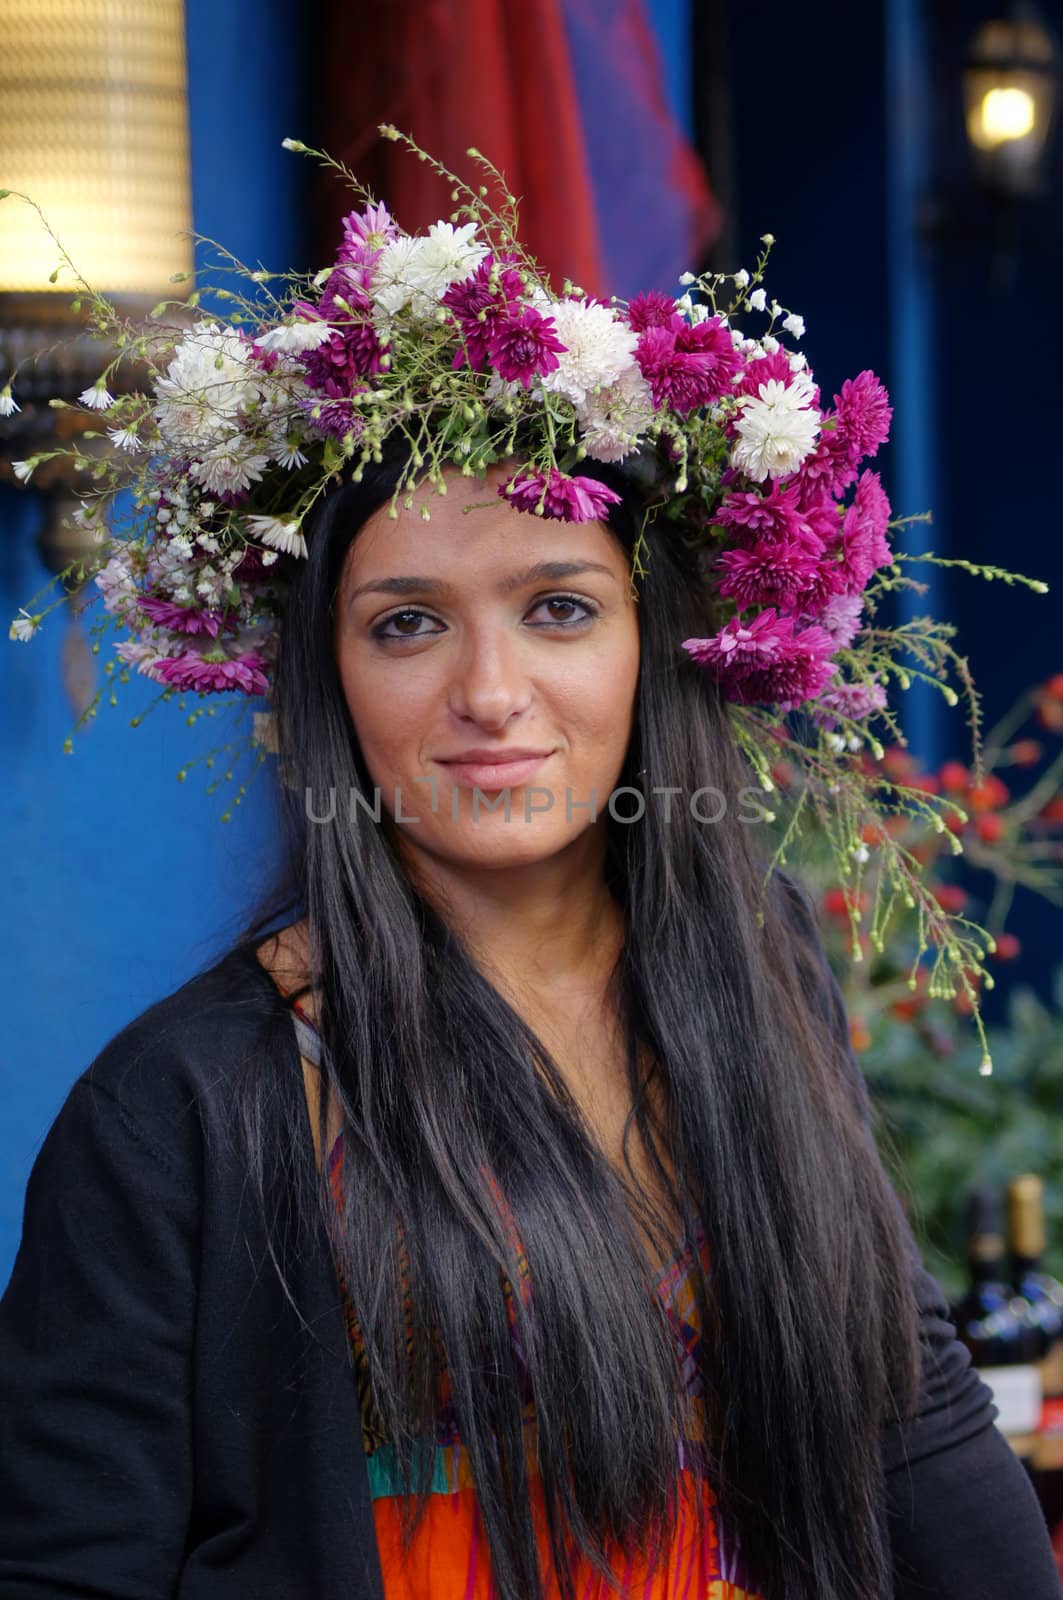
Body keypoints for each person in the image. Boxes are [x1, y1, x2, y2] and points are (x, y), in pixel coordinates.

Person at [1, 443, 1061, 1600]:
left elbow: (902, 1409)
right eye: (407, 624)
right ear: (325, 677)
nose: (491, 693)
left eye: (559, 607)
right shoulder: (181, 1102)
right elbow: (69, 1572)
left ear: (653, 643)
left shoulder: (754, 964)